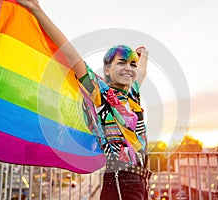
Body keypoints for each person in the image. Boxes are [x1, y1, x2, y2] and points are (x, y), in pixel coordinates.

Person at [17, 1, 151, 199]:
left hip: (141, 181)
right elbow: (70, 54)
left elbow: (141, 72)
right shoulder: (100, 93)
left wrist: (143, 54)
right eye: (121, 63)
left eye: (132, 64)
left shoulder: (133, 95)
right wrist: (37, 10)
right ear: (107, 69)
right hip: (120, 181)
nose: (129, 68)